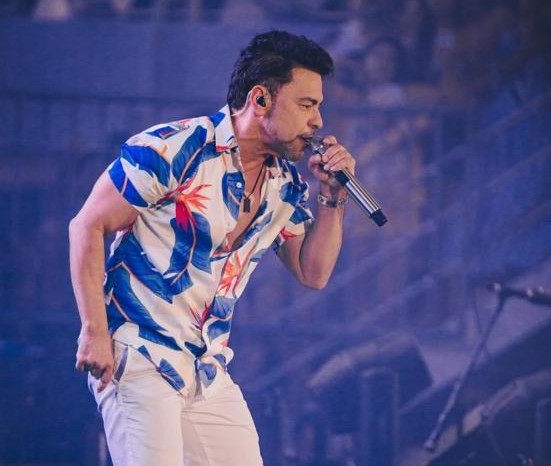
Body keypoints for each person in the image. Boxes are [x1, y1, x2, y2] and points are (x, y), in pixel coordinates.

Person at [69, 30, 356, 465]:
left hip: (206, 367)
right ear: (260, 99)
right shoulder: (173, 148)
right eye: (306, 105)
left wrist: (332, 197)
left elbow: (313, 273)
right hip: (140, 351)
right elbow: (86, 226)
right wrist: (93, 331)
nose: (318, 121)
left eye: (318, 107)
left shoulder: (285, 185)